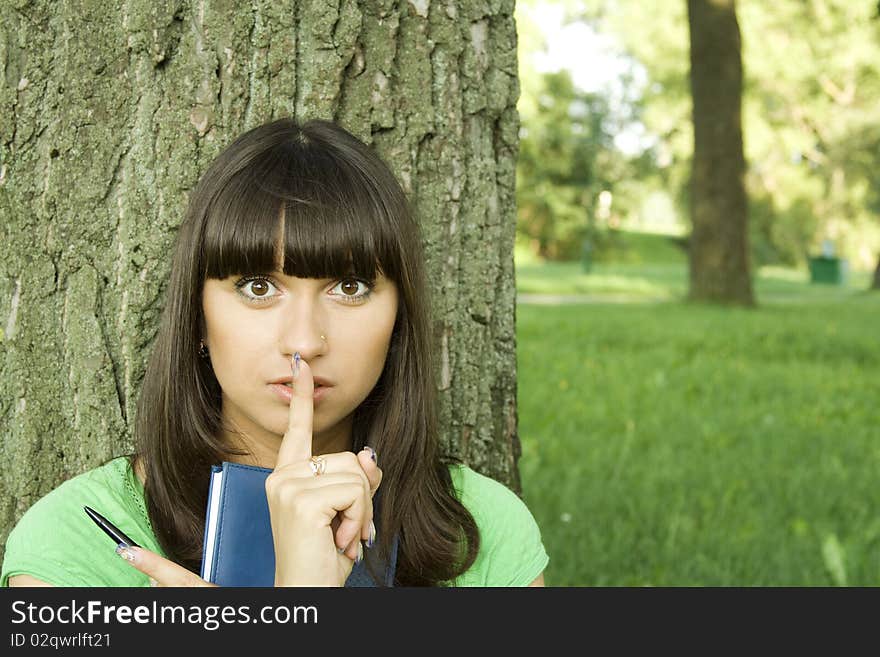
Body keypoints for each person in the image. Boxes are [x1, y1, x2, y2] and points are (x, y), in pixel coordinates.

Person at [1, 118, 549, 587]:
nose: (305, 342)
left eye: (351, 287)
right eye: (258, 287)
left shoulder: (477, 533)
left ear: (398, 319)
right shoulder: (77, 544)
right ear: (197, 315)